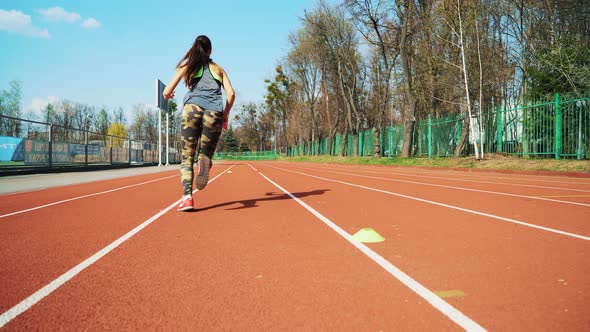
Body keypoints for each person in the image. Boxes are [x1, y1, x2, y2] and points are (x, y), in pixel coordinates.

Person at [163, 35, 235, 211]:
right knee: (205, 154)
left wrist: (168, 95)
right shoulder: (218, 69)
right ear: (210, 50)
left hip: (191, 109)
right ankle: (205, 160)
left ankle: (187, 197)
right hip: (214, 112)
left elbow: (166, 91)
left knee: (187, 158)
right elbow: (231, 94)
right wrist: (225, 114)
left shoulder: (188, 66)